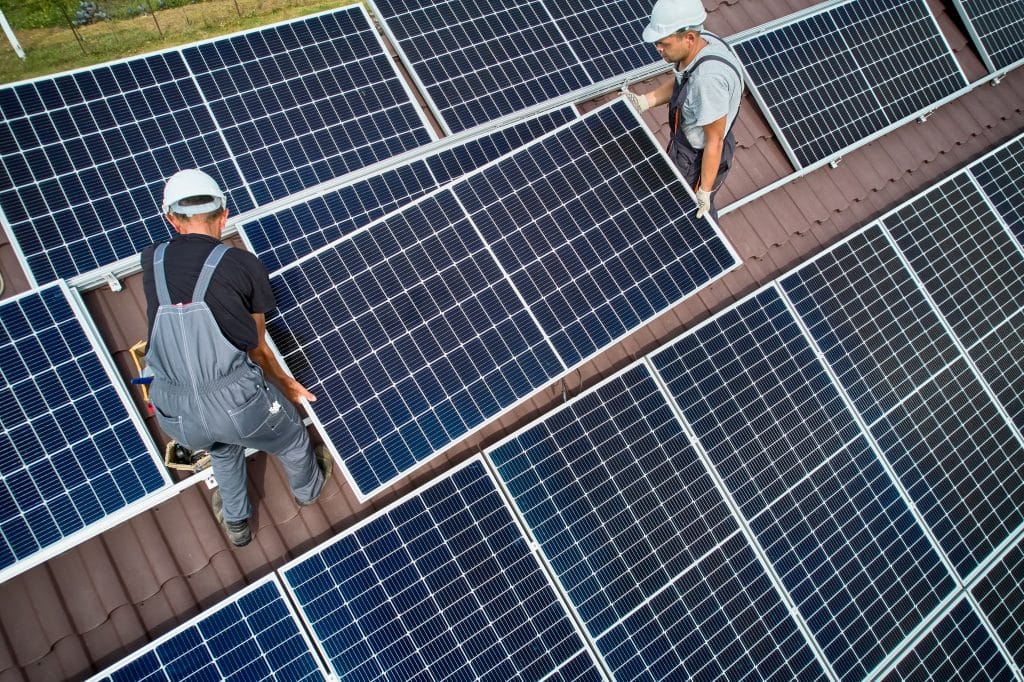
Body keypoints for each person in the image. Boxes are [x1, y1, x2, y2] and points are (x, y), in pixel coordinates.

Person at [141, 169, 331, 547]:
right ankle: (308, 491)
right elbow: (257, 347)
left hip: (175, 411)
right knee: (291, 438)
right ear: (224, 216)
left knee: (221, 448)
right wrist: (284, 384)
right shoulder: (243, 264)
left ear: (171, 220)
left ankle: (238, 524)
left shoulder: (152, 259)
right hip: (235, 401)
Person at [624, 0, 743, 222]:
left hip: (697, 158)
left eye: (664, 44)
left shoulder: (709, 81)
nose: (659, 49)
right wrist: (646, 101)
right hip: (692, 146)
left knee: (686, 217)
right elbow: (685, 80)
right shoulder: (705, 42)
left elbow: (714, 142)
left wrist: (704, 191)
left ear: (688, 38)